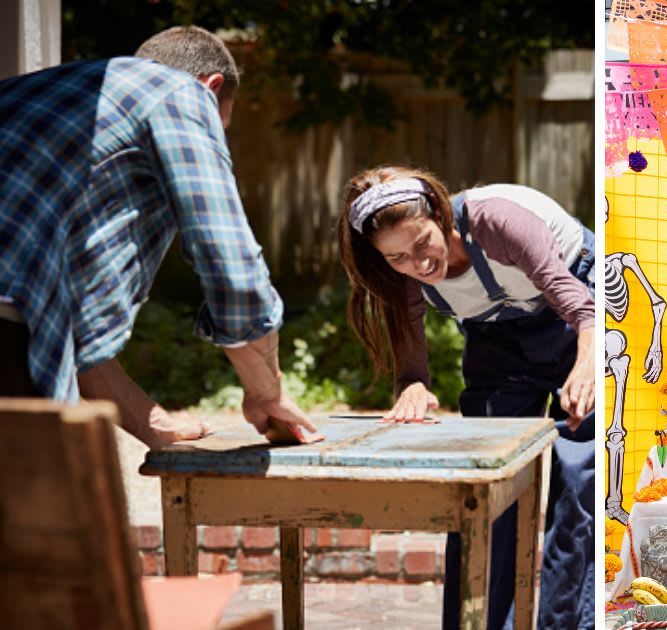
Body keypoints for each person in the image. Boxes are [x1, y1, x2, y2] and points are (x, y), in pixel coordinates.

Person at [0, 26, 315, 445]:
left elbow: (67, 333)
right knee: (45, 507)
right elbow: (232, 265)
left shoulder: (38, 99)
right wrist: (266, 392)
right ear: (212, 85)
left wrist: (154, 424)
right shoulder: (179, 92)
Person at [336, 165, 594, 629]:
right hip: (496, 336)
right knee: (487, 481)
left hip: (577, 312)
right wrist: (412, 388)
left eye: (422, 244)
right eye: (397, 258)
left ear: (438, 213)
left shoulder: (495, 220)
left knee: (578, 473)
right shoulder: (398, 274)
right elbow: (412, 369)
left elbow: (581, 307)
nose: (418, 264)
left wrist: (589, 364)